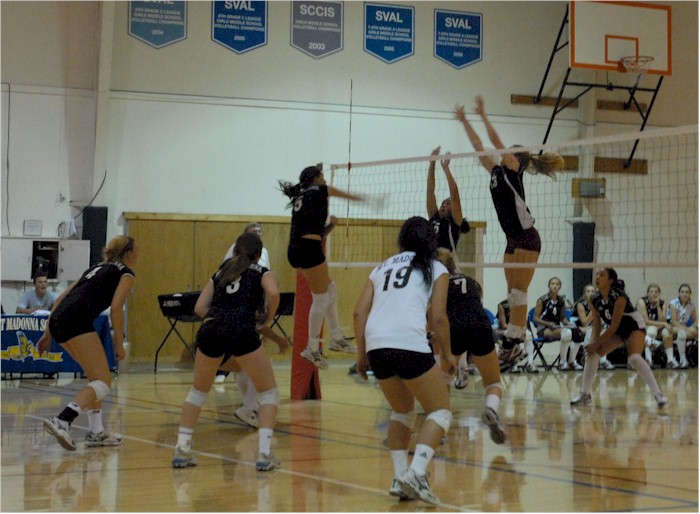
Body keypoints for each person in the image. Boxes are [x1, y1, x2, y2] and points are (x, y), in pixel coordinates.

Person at [454, 96, 564, 364]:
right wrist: (465, 120)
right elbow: (478, 145)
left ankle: (515, 339)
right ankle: (515, 339)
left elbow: (495, 141)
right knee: (511, 291)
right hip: (512, 238)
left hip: (527, 237)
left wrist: (483, 114)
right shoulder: (495, 170)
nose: (503, 153)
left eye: (509, 153)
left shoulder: (513, 170)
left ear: (517, 160)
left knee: (519, 290)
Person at [354, 216, 455, 505]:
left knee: (401, 411)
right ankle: (418, 473)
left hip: (377, 344)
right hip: (408, 342)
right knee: (440, 412)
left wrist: (362, 355)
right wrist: (448, 354)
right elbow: (438, 317)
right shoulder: (436, 267)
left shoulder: (381, 267)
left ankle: (401, 478)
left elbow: (359, 312)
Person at [172, 233, 282, 471]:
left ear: (235, 250)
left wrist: (221, 315)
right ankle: (264, 454)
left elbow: (199, 307)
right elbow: (273, 293)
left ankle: (181, 449)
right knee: (269, 393)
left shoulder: (221, 272)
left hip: (211, 328)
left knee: (198, 392)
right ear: (258, 253)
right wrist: (268, 317)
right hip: (242, 328)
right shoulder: (262, 272)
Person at [38, 236, 138, 451]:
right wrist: (118, 343)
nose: (138, 254)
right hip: (77, 320)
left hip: (58, 319)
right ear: (129, 253)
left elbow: (60, 299)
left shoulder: (94, 269)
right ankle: (63, 419)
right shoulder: (126, 273)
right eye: (136, 250)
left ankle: (96, 431)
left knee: (95, 378)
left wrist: (47, 333)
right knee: (103, 382)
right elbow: (116, 307)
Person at [279, 163, 365, 368]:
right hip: (308, 249)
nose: (325, 180)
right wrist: (366, 200)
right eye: (323, 176)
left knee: (330, 289)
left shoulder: (302, 196)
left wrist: (332, 226)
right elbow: (346, 195)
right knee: (320, 298)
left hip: (297, 249)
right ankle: (312, 348)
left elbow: (316, 234)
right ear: (316, 178)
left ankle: (336, 337)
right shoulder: (319, 190)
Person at [436, 248, 507, 445]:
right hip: (480, 324)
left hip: (454, 326)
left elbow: (435, 315)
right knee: (493, 382)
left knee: (443, 382)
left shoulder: (437, 283)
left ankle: (439, 429)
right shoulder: (472, 281)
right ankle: (491, 408)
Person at [570, 268, 668, 407]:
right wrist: (592, 344)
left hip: (633, 326)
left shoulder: (619, 296)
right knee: (592, 355)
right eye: (596, 274)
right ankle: (584, 394)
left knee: (634, 358)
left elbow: (614, 326)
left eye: (602, 275)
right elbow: (597, 324)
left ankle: (658, 394)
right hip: (617, 330)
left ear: (610, 280)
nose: (597, 277)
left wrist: (596, 344)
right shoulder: (594, 299)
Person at [215, 221, 274, 394]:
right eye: (255, 231)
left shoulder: (264, 253)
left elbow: (267, 281)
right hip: (237, 299)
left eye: (260, 231)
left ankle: (248, 393)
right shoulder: (235, 250)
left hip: (255, 298)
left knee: (252, 341)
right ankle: (223, 372)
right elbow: (224, 271)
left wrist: (265, 308)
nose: (258, 233)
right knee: (236, 339)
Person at [426, 146, 470, 256]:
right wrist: (432, 163)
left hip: (446, 261)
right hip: (430, 260)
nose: (443, 205)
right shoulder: (434, 217)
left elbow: (454, 195)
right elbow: (430, 190)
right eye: (442, 203)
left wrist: (446, 168)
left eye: (448, 203)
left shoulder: (455, 222)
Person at [533, 277, 584, 371]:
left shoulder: (561, 300)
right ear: (549, 286)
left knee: (577, 332)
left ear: (560, 287)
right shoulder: (542, 300)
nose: (555, 286)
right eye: (552, 284)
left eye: (557, 284)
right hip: (544, 329)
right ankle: (562, 362)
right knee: (567, 333)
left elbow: (563, 318)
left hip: (556, 328)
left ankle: (572, 361)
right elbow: (535, 318)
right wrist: (548, 323)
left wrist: (569, 323)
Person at [574, 283, 614, 370]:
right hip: (581, 328)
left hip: (594, 328)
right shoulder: (580, 304)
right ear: (584, 294)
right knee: (594, 332)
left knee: (604, 332)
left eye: (593, 291)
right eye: (588, 291)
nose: (591, 293)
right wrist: (593, 310)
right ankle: (589, 358)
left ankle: (602, 360)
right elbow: (584, 322)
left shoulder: (600, 303)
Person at [636, 284, 676, 368]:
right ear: (647, 293)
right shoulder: (641, 302)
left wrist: (658, 307)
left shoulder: (662, 303)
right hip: (640, 327)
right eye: (651, 291)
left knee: (667, 333)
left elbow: (663, 320)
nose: (654, 293)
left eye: (656, 292)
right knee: (652, 330)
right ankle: (648, 360)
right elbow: (645, 321)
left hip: (657, 327)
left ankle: (670, 360)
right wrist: (664, 324)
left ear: (659, 294)